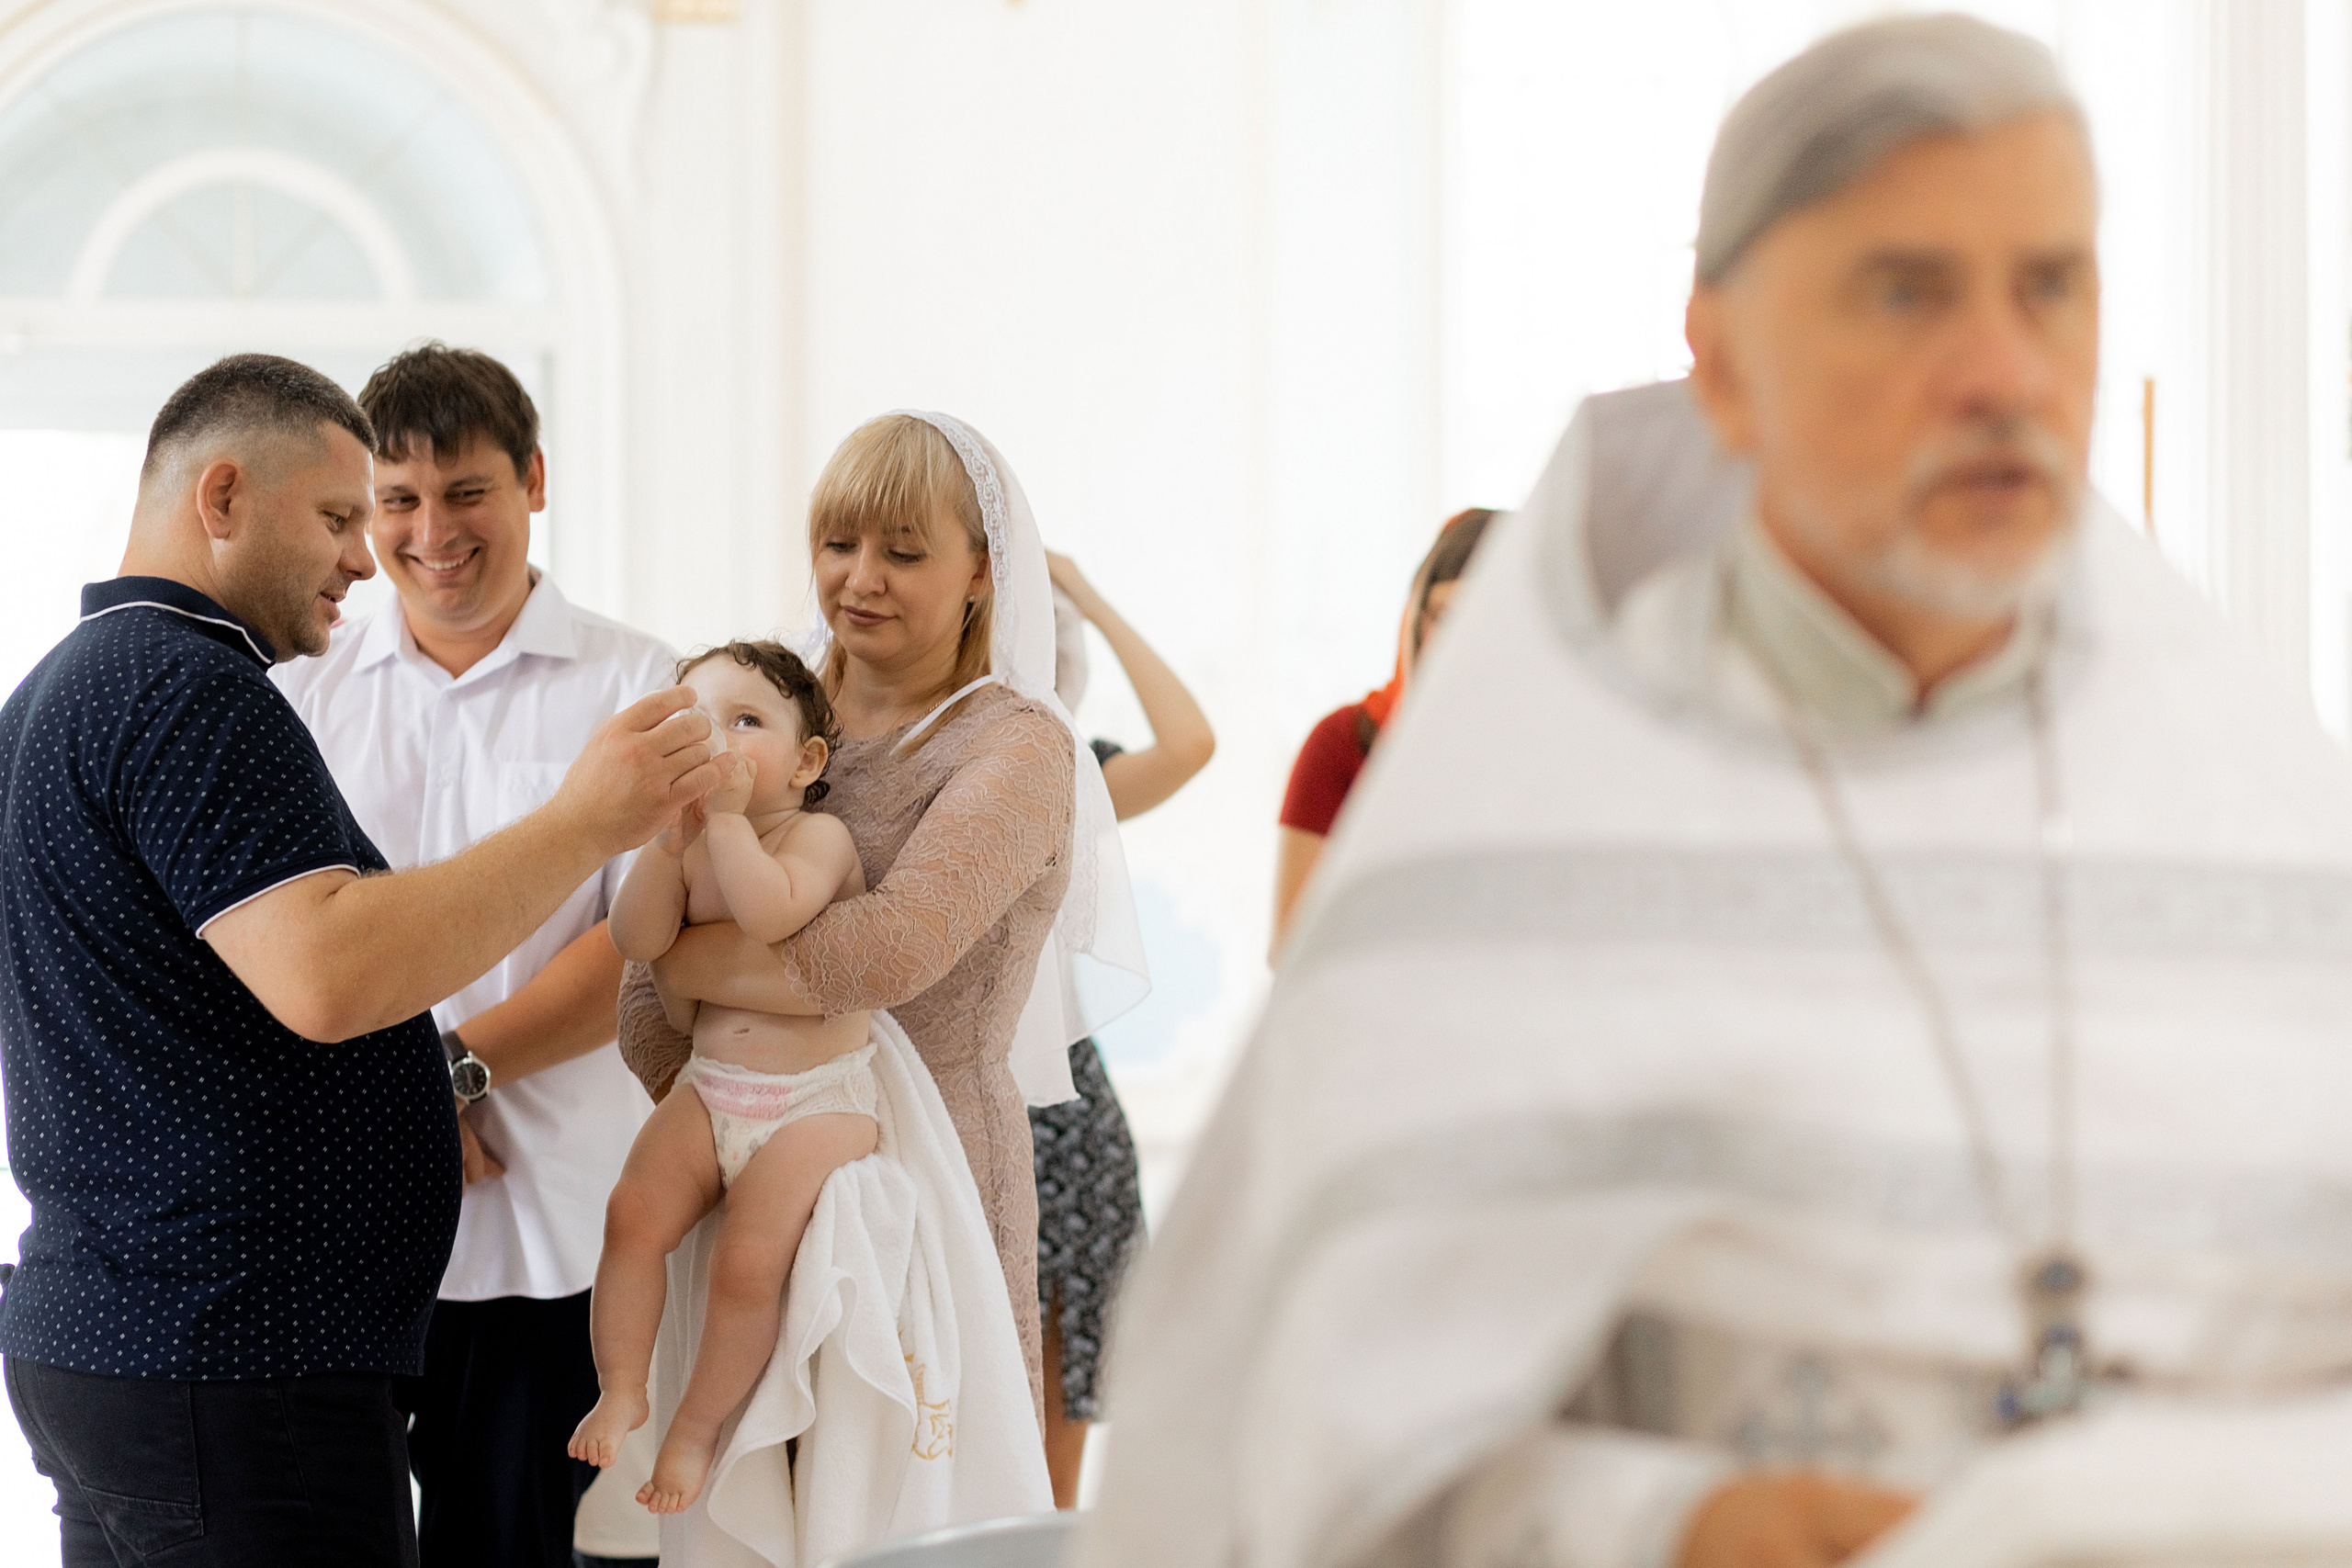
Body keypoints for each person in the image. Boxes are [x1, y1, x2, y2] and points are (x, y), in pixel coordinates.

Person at [1080, 17, 2352, 1568]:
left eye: (2051, 285)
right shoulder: (1525, 841)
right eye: (1908, 290)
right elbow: (1290, 1447)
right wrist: (1681, 1526)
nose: (2004, 373)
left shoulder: (2253, 810)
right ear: (1724, 362)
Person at [0, 353, 716, 1567]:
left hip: (148, 1339)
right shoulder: (190, 688)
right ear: (222, 496)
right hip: (232, 1360)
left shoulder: (60, 689)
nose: (360, 553)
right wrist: (581, 823)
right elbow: (327, 971)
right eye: (343, 514)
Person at [616, 411, 1148, 1430]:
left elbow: (889, 951)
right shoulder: (763, 704)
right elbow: (643, 967)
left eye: (903, 552)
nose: (861, 578)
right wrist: (725, 1129)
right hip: (736, 1169)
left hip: (927, 1178)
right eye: (837, 545)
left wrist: (686, 968)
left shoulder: (1016, 745)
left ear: (982, 573)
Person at [270, 342, 679, 1568]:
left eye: (467, 491)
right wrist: (392, 1099)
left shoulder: (639, 681)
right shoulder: (301, 685)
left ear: (535, 480)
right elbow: (277, 941)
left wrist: (450, 1071)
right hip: (339, 1229)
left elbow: (642, 945)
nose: (431, 531)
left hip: (550, 1226)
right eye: (396, 499)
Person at [573, 641, 877, 1514]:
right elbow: (637, 940)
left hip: (818, 1102)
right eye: (698, 721)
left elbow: (773, 909)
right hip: (713, 1088)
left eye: (747, 721)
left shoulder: (819, 836)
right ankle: (622, 1384)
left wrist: (731, 826)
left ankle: (699, 1429)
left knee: (749, 1263)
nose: (718, 738)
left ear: (807, 759)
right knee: (632, 1214)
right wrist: (668, 850)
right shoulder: (697, 842)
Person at [1033, 550, 1216, 1506]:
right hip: (933, 1106)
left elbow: (1190, 743)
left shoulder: (1071, 777)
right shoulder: (887, 763)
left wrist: (1092, 599)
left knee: (1050, 1475)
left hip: (1065, 1117)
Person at [1272, 508, 1494, 952]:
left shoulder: (1549, 754)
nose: (1457, 642)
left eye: (1483, 620)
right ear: (1414, 619)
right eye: (1442, 618)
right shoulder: (1343, 743)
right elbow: (1290, 948)